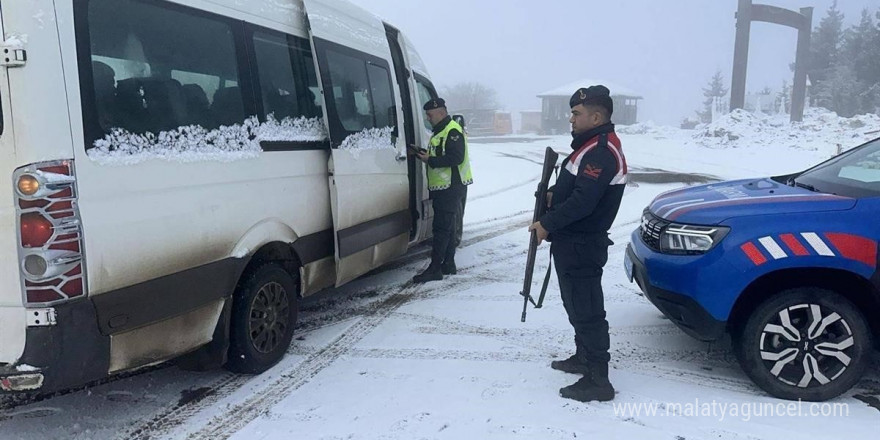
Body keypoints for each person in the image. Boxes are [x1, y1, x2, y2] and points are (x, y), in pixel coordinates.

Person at [528, 85, 627, 402]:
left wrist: (547, 223)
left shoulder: (601, 151)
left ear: (596, 116)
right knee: (575, 304)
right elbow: (577, 186)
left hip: (583, 242)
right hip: (573, 241)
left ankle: (599, 379)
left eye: (576, 113)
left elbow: (585, 202)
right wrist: (554, 192)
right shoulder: (587, 147)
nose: (571, 118)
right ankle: (584, 357)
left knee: (587, 310)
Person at [412, 98, 473, 283]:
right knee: (448, 228)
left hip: (450, 187)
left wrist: (430, 160)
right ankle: (448, 264)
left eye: (430, 115)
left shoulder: (452, 130)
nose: (428, 119)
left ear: (441, 112)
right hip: (445, 187)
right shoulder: (441, 131)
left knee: (441, 229)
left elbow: (456, 157)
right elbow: (440, 153)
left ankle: (435, 269)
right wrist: (421, 153)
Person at [451, 114, 468, 248]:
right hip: (460, 178)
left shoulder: (452, 131)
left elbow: (456, 157)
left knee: (453, 213)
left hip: (455, 178)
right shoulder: (458, 130)